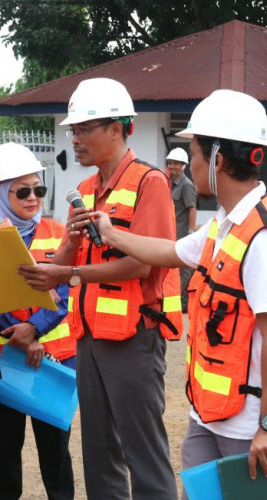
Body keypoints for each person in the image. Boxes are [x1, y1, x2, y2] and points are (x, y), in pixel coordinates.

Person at [89, 89, 267, 495]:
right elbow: (169, 251)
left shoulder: (260, 237)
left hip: (246, 424)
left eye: (196, 152)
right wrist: (111, 232)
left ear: (217, 159)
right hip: (208, 413)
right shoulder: (224, 225)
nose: (191, 161)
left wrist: (265, 427)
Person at [18, 78, 181, 499]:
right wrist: (68, 247)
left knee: (142, 453)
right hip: (89, 337)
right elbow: (63, 262)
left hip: (133, 338)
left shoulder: (151, 183)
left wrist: (69, 276)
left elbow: (145, 263)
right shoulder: (87, 190)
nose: (75, 138)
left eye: (84, 128)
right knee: (99, 452)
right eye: (73, 130)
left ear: (118, 128)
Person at [0, 143, 75, 500]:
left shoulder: (58, 232)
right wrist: (18, 333)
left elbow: (66, 292)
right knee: (3, 453)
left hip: (54, 360)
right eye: (22, 191)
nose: (33, 197)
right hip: (6, 359)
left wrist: (34, 329)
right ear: (1, 193)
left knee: (56, 451)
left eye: (39, 189)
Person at [166, 147, 197, 312]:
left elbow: (192, 208)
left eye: (176, 163)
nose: (172, 166)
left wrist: (191, 232)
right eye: (170, 163)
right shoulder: (169, 182)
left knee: (183, 270)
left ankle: (183, 303)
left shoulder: (186, 185)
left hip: (182, 233)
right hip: (171, 233)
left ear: (183, 165)